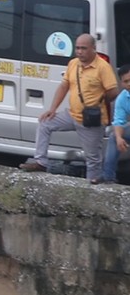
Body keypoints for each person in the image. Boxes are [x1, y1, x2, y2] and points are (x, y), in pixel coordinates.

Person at [22, 33, 118, 179]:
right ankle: (40, 161)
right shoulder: (73, 64)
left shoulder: (103, 67)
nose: (79, 52)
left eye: (83, 48)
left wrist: (99, 101)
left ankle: (92, 188)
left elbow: (113, 91)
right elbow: (64, 86)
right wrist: (52, 109)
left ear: (93, 48)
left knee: (93, 159)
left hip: (91, 119)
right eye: (77, 48)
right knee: (45, 123)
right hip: (72, 114)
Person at [106, 65, 130, 184]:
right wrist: (119, 138)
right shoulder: (122, 98)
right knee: (113, 136)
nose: (129, 84)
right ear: (121, 83)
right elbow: (118, 121)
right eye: (126, 81)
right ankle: (108, 178)